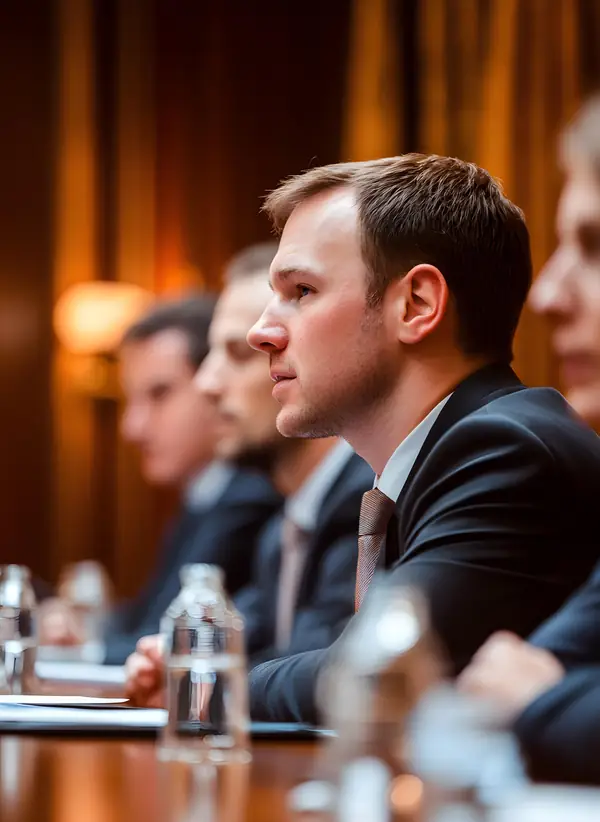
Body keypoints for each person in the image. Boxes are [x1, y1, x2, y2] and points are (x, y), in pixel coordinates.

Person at [239, 152, 600, 725]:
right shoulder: (447, 452)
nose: (262, 331)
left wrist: (210, 680)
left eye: (302, 291)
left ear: (417, 304)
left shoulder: (505, 450)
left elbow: (369, 672)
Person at [124, 244, 372, 704]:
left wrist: (200, 680)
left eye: (239, 353)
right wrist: (175, 662)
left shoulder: (366, 500)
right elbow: (245, 643)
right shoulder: (284, 523)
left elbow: (332, 668)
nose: (207, 384)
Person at [459, 96, 600, 785]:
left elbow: (524, 687)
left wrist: (544, 705)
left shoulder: (506, 442)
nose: (546, 296)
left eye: (596, 247)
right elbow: (506, 676)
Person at [41, 295, 281, 664]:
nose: (132, 428)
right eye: (130, 400)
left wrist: (77, 652)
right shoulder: (204, 495)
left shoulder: (249, 496)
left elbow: (162, 641)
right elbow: (147, 618)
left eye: (159, 394)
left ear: (211, 384)